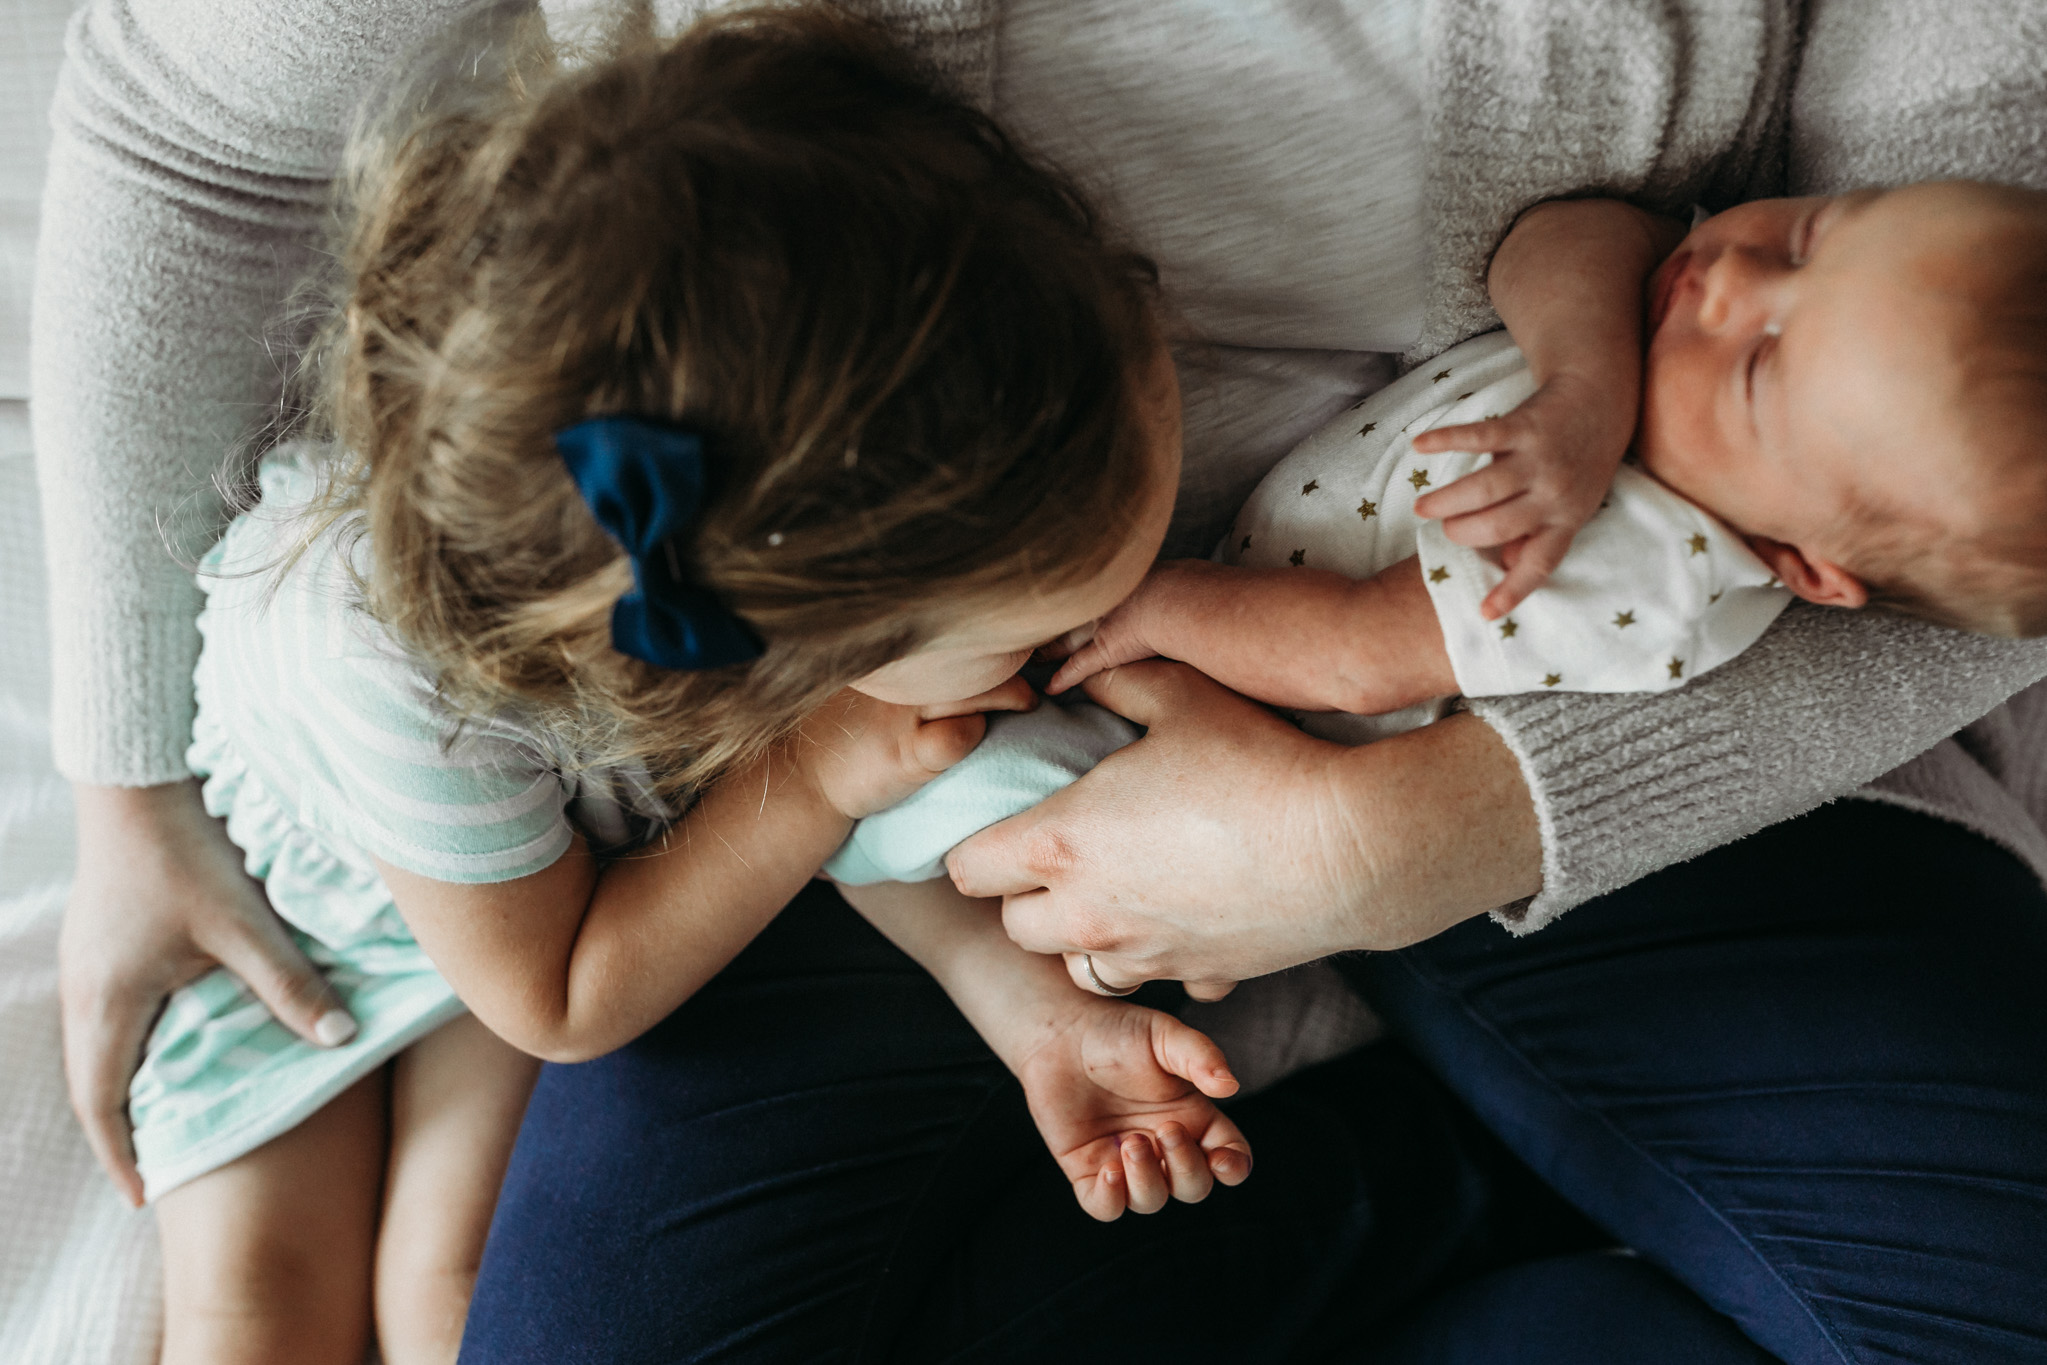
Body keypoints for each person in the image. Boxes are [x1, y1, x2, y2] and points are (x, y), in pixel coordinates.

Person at [30, 0, 2047, 1361]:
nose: (1743, 276)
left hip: (1635, 735)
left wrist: (1406, 828)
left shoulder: (1708, 487)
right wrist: (131, 783)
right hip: (930, 673)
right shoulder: (791, 660)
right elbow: (200, 143)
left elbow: (1985, 466)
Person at [131, 16, 1273, 1363]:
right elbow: (559, 991)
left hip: (545, 903)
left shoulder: (775, 525)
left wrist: (1037, 1016)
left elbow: (866, 853)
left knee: (451, 1310)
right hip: (319, 930)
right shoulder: (391, 656)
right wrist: (825, 773)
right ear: (794, 645)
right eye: (1046, 628)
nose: (1067, 656)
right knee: (252, 1309)